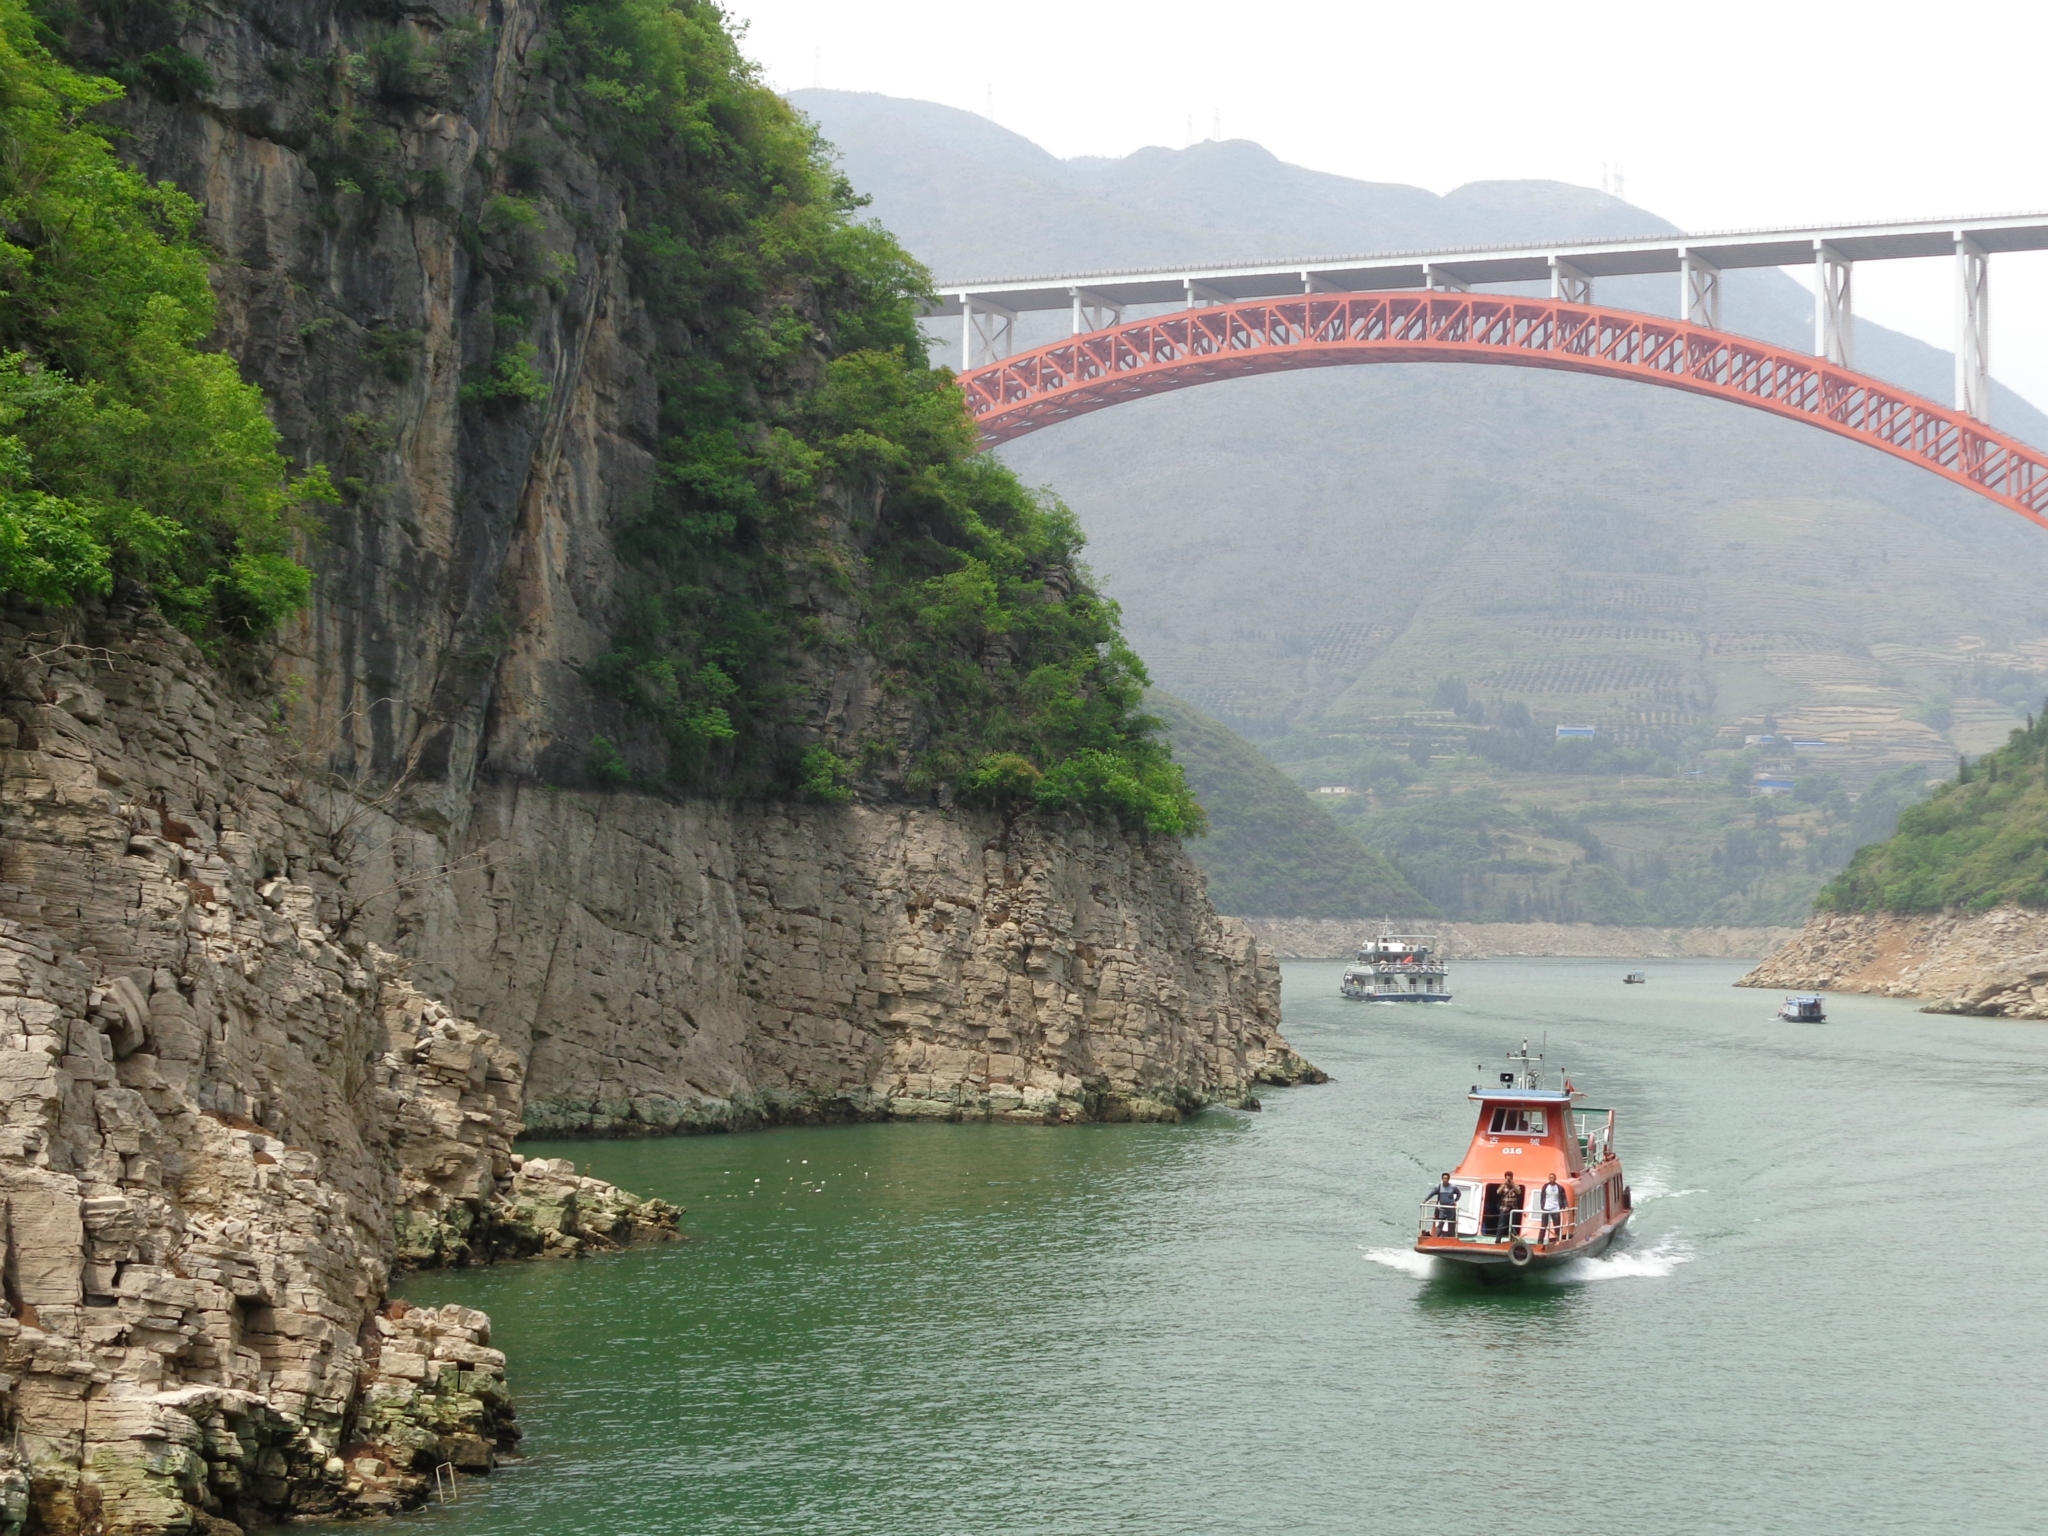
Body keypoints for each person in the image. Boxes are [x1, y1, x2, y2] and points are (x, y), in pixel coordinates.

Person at [1538, 1174, 1566, 1244]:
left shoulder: (1559, 1188)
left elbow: (1563, 1197)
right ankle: (1540, 1241)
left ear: (1555, 1178)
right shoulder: (1545, 1187)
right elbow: (1542, 1196)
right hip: (1546, 1208)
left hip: (1555, 1209)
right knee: (1543, 1225)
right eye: (1550, 1178)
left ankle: (1557, 1240)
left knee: (1557, 1226)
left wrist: (1566, 1205)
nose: (1551, 1179)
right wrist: (1542, 1206)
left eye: (1552, 1177)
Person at [1495, 1172, 1524, 1241]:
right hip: (1504, 1208)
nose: (1509, 1179)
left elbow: (1519, 1192)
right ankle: (1497, 1240)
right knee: (1501, 1225)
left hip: (1513, 1208)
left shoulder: (1516, 1185)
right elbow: (1498, 1192)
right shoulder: (1502, 1185)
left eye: (1510, 1178)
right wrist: (1504, 1184)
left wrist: (1512, 1185)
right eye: (1507, 1178)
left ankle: (1512, 1240)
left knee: (1513, 1225)